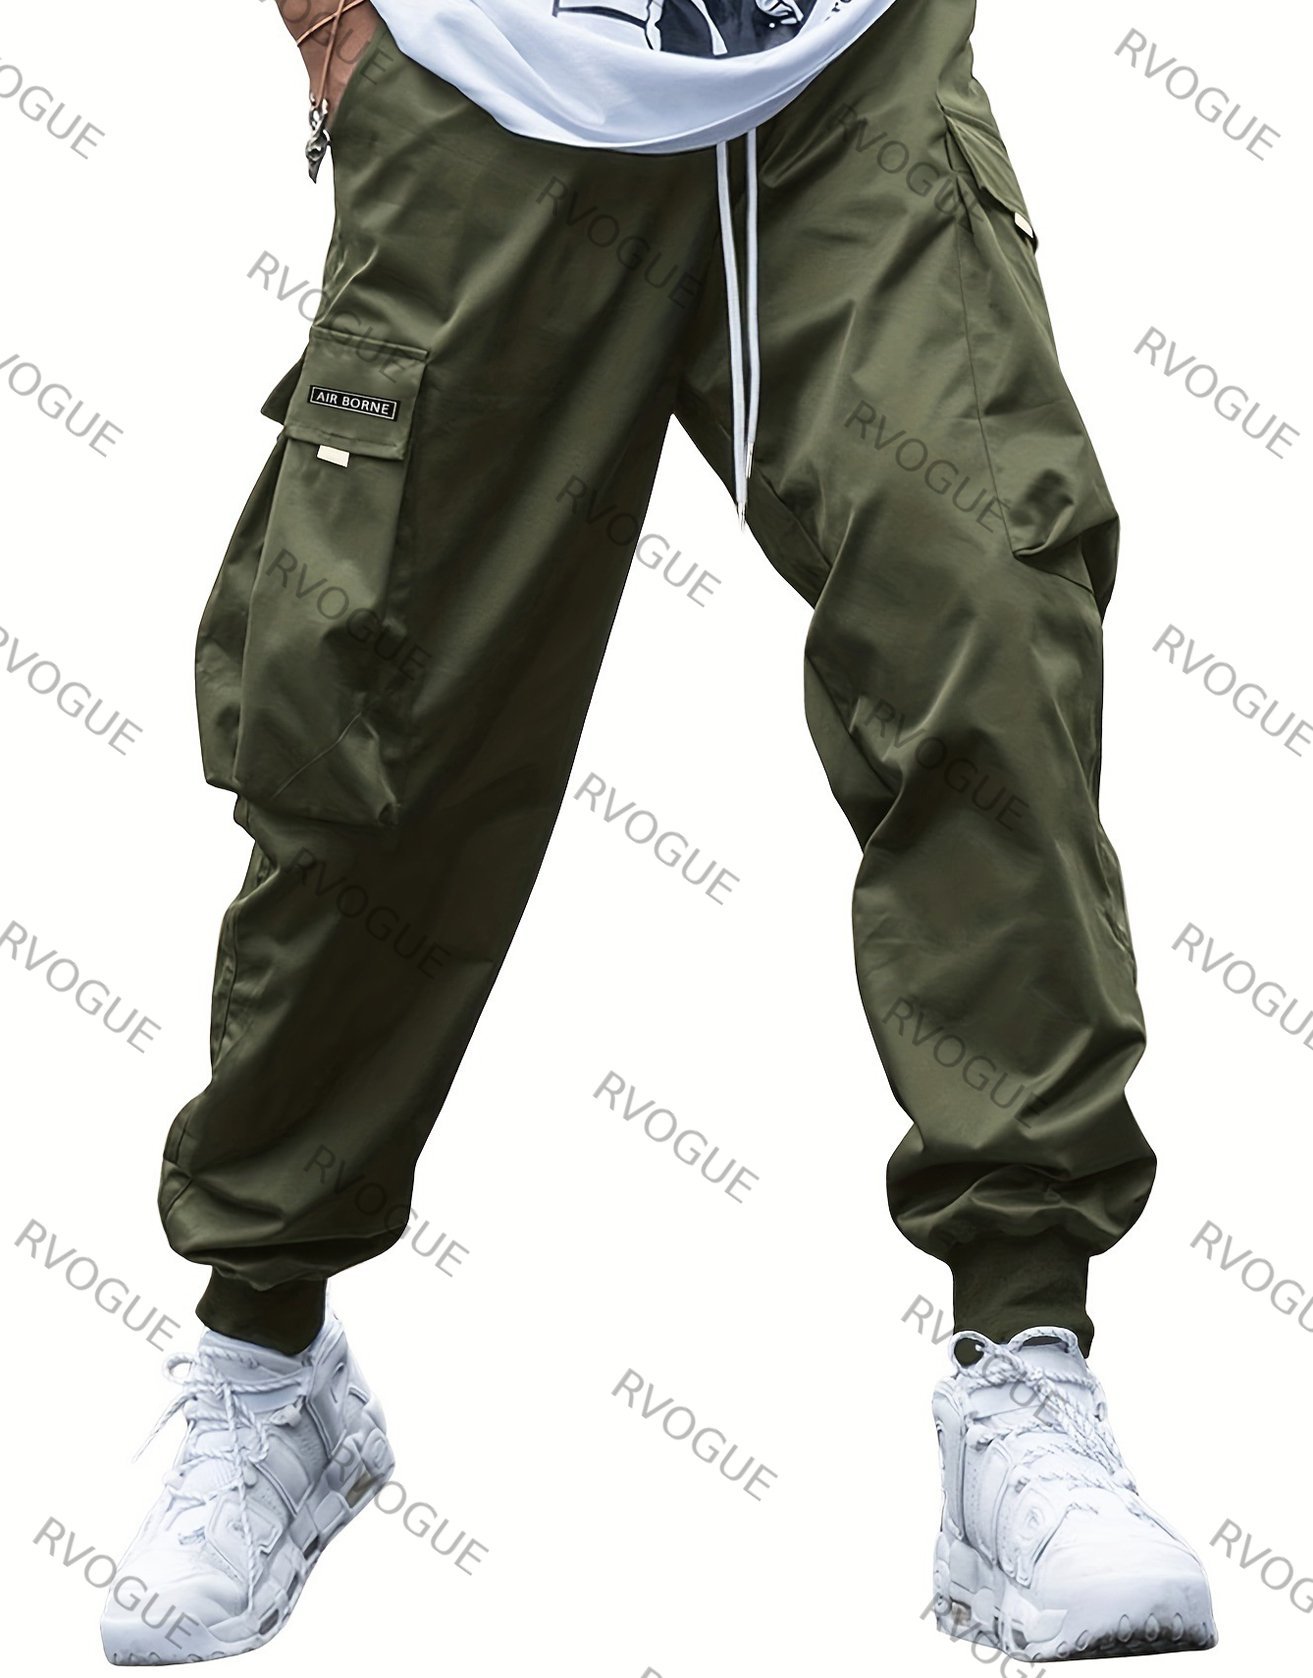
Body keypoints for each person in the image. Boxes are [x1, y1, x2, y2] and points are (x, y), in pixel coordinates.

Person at [101, 0, 1219, 1663]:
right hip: (486, 78)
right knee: (373, 706)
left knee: (986, 615)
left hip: (841, 75)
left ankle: (1023, 1361)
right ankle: (267, 1360)